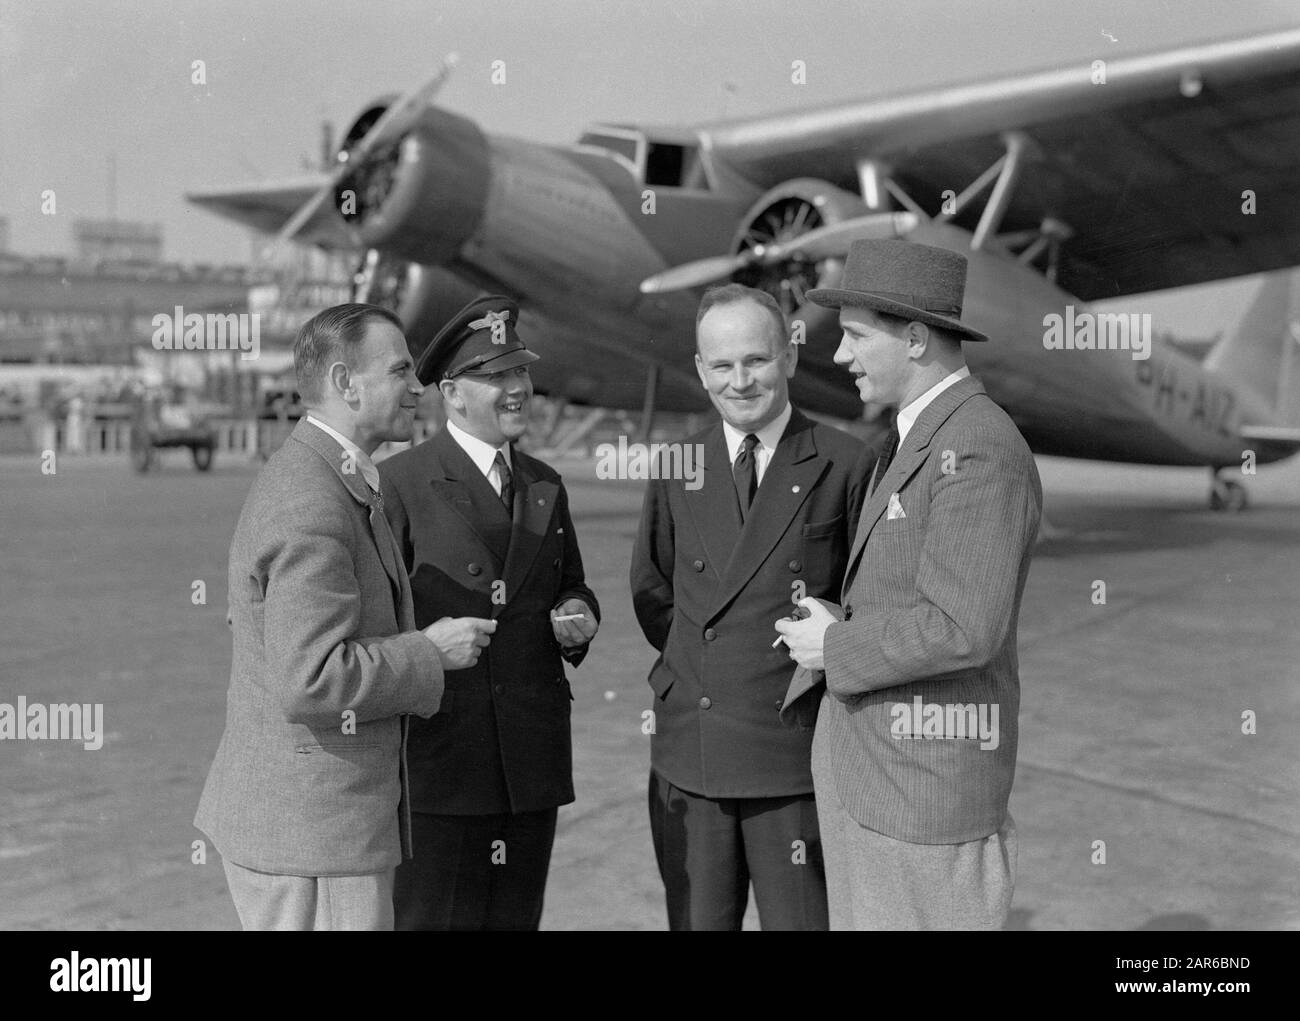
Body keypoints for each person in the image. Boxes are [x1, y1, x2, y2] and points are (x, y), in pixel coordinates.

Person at [194, 303, 496, 931]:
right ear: (343, 383)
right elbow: (310, 677)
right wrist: (429, 652)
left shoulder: (328, 476)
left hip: (316, 830)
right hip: (314, 840)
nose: (418, 388)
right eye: (400, 371)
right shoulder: (311, 498)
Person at [775, 240, 1043, 930]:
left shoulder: (979, 444)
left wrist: (836, 643)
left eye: (857, 335)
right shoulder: (913, 435)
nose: (839, 356)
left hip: (920, 806)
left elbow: (961, 626)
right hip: (878, 784)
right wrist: (846, 615)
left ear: (917, 338)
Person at [630, 283, 872, 930]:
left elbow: (869, 605)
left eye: (756, 360)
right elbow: (656, 595)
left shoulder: (848, 463)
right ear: (702, 371)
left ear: (789, 357)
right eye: (722, 365)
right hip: (694, 753)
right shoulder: (678, 463)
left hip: (795, 759)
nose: (740, 381)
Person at [379, 295, 600, 931]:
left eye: (520, 373)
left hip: (529, 763)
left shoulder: (544, 482)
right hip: (443, 766)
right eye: (495, 377)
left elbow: (572, 586)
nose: (517, 390)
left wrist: (577, 615)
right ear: (451, 393)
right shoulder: (400, 484)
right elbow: (380, 620)